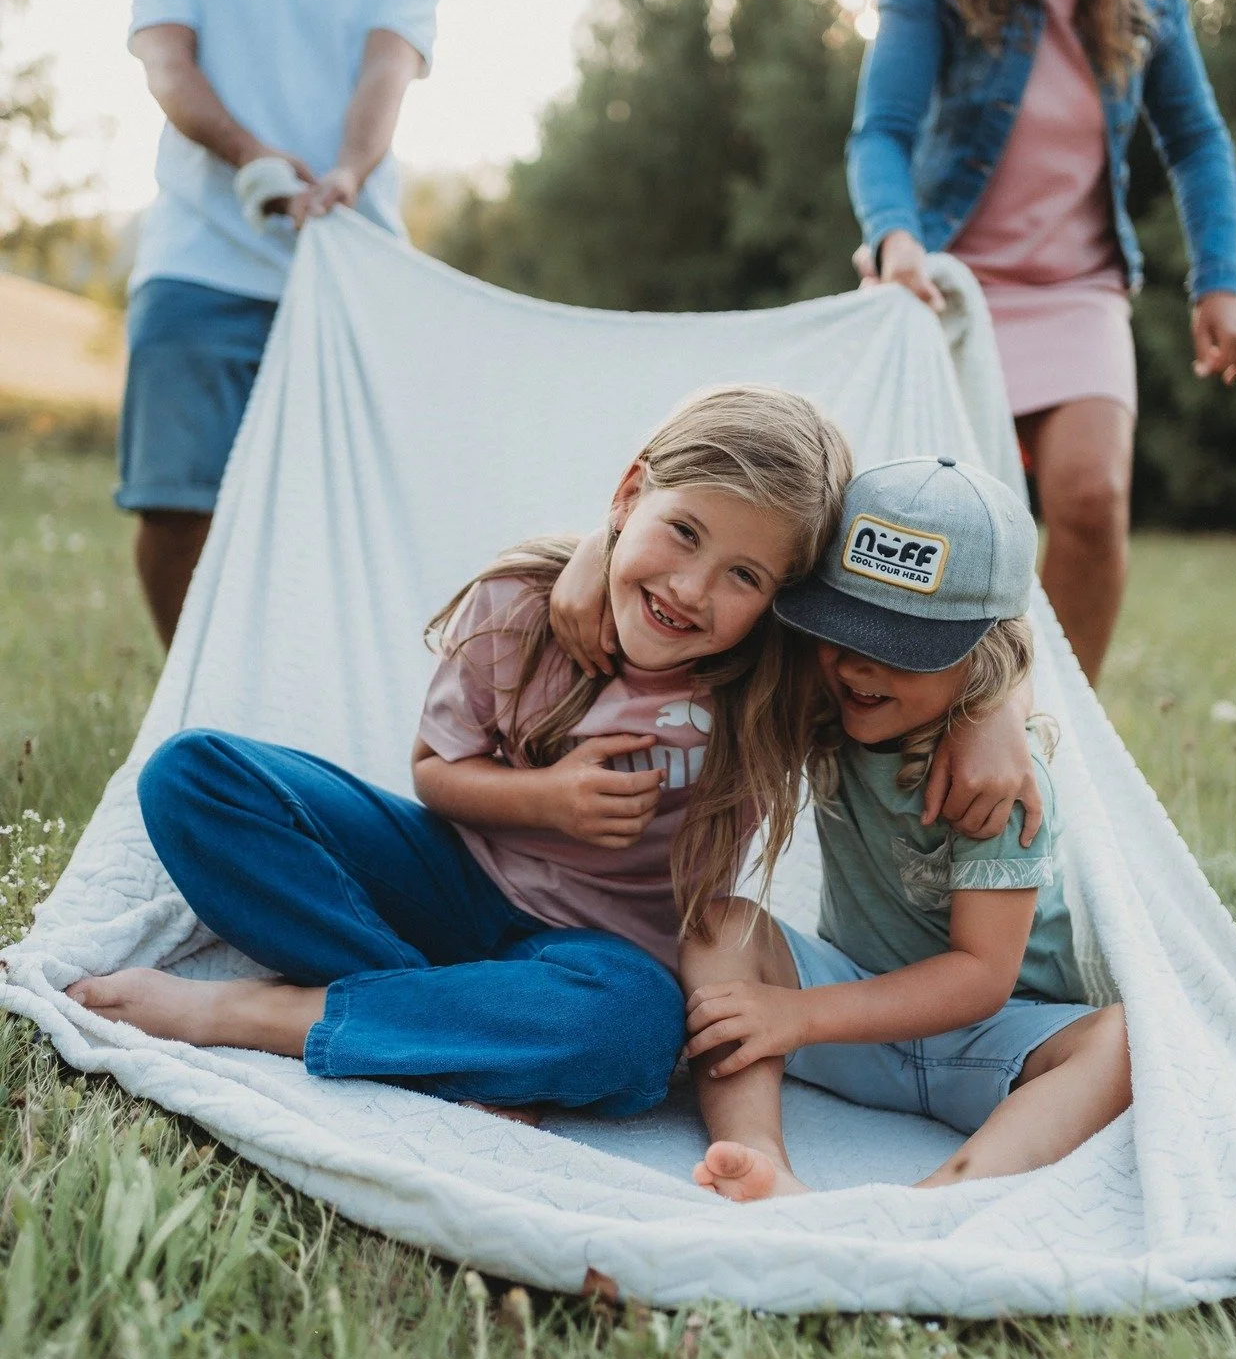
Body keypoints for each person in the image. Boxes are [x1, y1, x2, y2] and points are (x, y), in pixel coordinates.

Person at [70, 387, 853, 1118]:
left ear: (781, 599)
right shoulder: (518, 603)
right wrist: (546, 798)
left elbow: (918, 657)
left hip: (593, 955)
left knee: (636, 1030)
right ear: (629, 493)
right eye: (683, 532)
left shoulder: (767, 685)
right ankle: (457, 1027)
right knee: (192, 776)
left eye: (743, 575)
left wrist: (986, 722)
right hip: (447, 878)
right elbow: (433, 774)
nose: (689, 587)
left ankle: (270, 1011)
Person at [847, 0, 1236, 683]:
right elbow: (881, 133)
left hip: (1076, 290)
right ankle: (911, 730)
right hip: (945, 287)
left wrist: (1223, 280)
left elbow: (1196, 138)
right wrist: (896, 239)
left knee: (1090, 499)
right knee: (917, 534)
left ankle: (1052, 736)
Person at [677, 456, 1131, 1200]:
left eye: (902, 647)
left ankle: (946, 1194)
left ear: (979, 652)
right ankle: (755, 1158)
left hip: (998, 1041)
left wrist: (797, 1015)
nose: (859, 666)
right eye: (843, 630)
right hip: (855, 1019)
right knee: (716, 924)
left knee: (1122, 1043)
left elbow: (983, 977)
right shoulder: (821, 707)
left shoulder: (998, 785)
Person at [119, 0, 440, 646]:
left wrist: (343, 175)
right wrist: (258, 158)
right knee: (176, 506)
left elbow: (386, 77)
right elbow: (168, 69)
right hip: (198, 264)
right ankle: (186, 713)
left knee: (352, 516)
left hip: (350, 272)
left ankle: (312, 709)